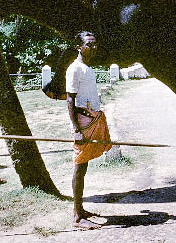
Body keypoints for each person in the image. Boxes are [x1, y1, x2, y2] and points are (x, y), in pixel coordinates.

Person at [66, 32, 112, 229]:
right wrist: (76, 129)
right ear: (79, 46)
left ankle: (80, 209)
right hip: (83, 124)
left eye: (95, 44)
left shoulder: (87, 69)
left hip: (92, 120)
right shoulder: (74, 69)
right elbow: (70, 100)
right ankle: (77, 216)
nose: (93, 48)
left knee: (83, 168)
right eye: (89, 45)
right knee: (79, 166)